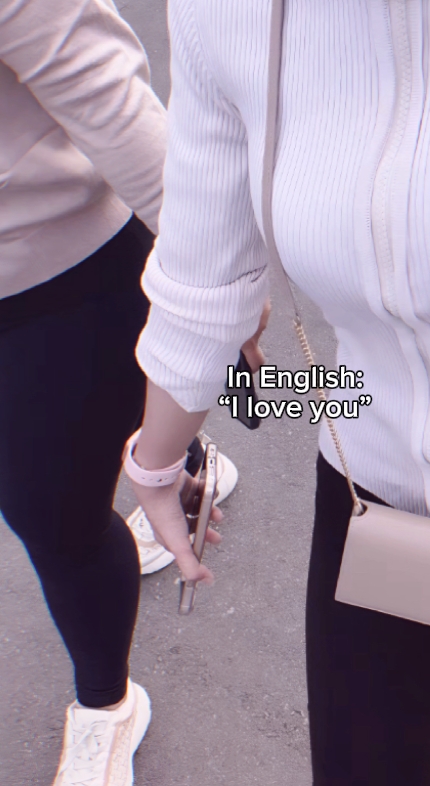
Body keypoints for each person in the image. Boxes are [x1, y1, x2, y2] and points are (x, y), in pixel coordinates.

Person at [127, 1, 430, 785]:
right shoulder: (232, 13)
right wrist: (155, 463)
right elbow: (202, 269)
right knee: (359, 767)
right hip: (369, 461)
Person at [0, 0, 257, 783]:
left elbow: (109, 100)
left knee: (57, 522)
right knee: (100, 441)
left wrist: (217, 289)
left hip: (55, 275)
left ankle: (107, 704)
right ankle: (181, 454)